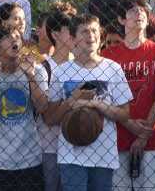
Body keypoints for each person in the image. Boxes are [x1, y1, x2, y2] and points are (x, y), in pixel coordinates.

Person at [45, 14, 133, 191]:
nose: (90, 35)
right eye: (84, 31)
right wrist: (72, 101)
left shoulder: (113, 69)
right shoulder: (61, 72)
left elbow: (125, 113)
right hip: (71, 155)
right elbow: (50, 118)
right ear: (72, 38)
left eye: (94, 30)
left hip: (104, 155)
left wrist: (96, 105)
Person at [101, 0, 155, 191]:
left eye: (143, 10)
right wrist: (129, 123)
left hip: (151, 137)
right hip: (117, 138)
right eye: (133, 11)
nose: (139, 14)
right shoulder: (109, 55)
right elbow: (106, 98)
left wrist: (143, 135)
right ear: (121, 19)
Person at [0, 25, 49, 191]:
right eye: (8, 37)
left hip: (30, 158)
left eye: (17, 36)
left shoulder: (37, 71)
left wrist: (30, 76)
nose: (15, 39)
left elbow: (43, 107)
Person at [40, 10, 75, 191]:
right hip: (50, 148)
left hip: (77, 146)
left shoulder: (81, 65)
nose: (76, 34)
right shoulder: (44, 67)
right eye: (70, 30)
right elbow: (46, 113)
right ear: (54, 34)